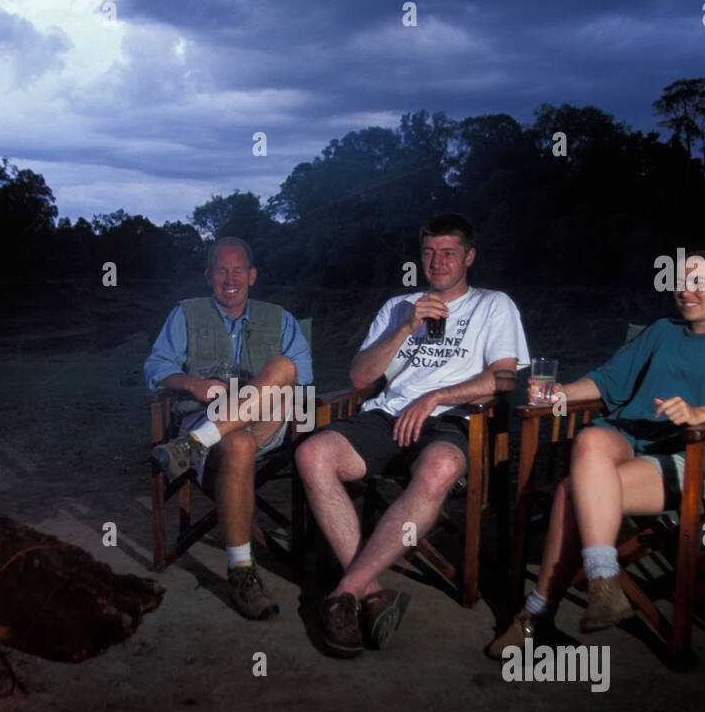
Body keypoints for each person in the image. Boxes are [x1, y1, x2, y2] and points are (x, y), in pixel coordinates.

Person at [484, 245, 705, 657]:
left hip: (695, 457)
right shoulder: (662, 332)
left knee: (575, 492)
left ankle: (536, 615)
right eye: (681, 280)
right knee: (590, 438)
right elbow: (609, 381)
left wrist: (699, 414)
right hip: (630, 438)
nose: (685, 289)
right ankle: (603, 582)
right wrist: (561, 394)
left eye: (698, 281)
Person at [296, 213, 529, 657]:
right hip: (386, 417)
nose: (437, 261)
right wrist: (406, 327)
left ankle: (344, 592)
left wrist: (436, 397)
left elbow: (503, 379)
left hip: (453, 420)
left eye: (448, 252)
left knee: (439, 467)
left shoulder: (493, 305)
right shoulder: (398, 307)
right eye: (428, 252)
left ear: (469, 256)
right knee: (312, 455)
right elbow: (361, 377)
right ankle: (370, 593)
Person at [146, 237, 313, 620]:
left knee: (285, 367)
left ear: (252, 276)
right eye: (222, 269)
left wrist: (260, 396)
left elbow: (302, 379)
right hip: (207, 418)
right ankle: (242, 570)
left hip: (267, 421)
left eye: (239, 270)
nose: (230, 278)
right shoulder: (185, 314)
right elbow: (155, 368)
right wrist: (192, 384)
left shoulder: (280, 317)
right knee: (236, 444)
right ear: (209, 276)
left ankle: (190, 447)